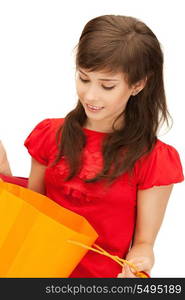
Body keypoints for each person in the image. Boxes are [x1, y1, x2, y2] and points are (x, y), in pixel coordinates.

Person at [24, 15, 184, 278]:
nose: (90, 95)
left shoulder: (154, 159)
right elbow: (32, 214)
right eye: (84, 78)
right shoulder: (49, 135)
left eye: (107, 85)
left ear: (138, 84)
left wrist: (140, 263)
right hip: (37, 274)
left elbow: (143, 245)